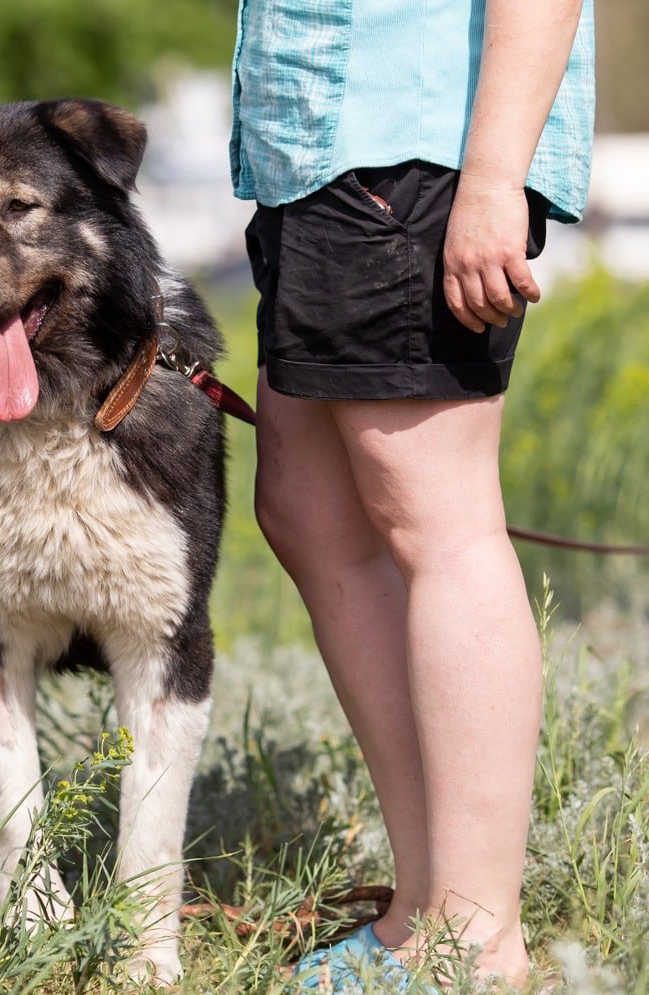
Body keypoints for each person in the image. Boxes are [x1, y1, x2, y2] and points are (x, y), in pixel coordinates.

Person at [229, 0, 594, 987]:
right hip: (318, 157)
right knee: (306, 506)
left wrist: (492, 179)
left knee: (441, 523)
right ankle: (424, 900)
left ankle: (478, 937)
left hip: (415, 148)